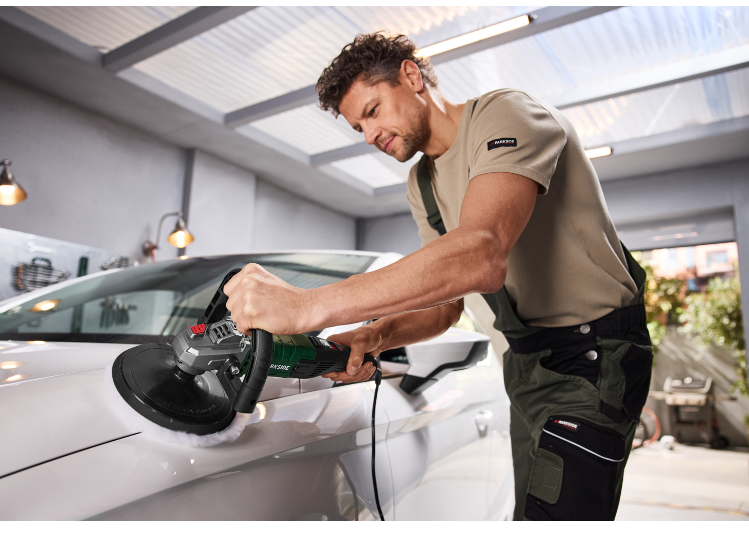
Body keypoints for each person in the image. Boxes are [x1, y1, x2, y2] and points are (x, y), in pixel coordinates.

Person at [223, 32, 653, 521]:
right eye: (358, 126)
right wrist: (377, 334)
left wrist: (306, 305)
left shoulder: (505, 113)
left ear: (410, 76)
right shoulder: (422, 184)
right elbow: (449, 304)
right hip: (528, 365)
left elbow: (481, 256)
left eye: (373, 110)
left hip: (595, 355)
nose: (368, 135)